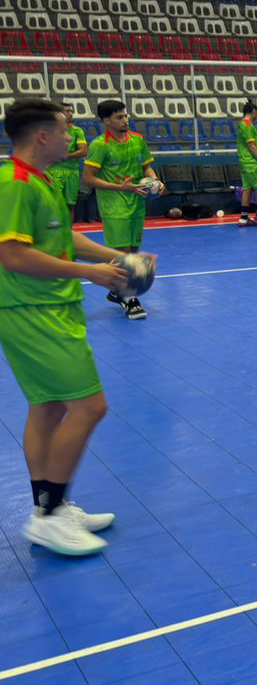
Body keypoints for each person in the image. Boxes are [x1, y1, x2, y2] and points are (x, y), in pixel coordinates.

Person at [0, 99, 144, 556]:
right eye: (65, 131)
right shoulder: (15, 184)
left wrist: (116, 259)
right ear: (42, 136)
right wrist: (90, 274)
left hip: (49, 310)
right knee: (89, 408)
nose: (72, 139)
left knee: (48, 409)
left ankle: (50, 511)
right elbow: (13, 256)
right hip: (31, 311)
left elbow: (63, 239)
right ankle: (51, 515)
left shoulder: (40, 180)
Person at [82, 100, 160, 320]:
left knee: (133, 252)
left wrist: (155, 181)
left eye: (125, 116)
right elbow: (88, 178)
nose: (125, 120)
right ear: (106, 121)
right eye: (119, 117)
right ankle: (130, 299)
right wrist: (121, 187)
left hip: (137, 203)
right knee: (123, 254)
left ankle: (118, 291)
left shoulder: (137, 140)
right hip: (113, 205)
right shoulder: (99, 145)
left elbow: (147, 166)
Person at [47, 106, 87, 223]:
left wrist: (64, 157)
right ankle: (54, 232)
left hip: (72, 173)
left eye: (72, 111)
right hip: (54, 171)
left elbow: (83, 151)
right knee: (53, 204)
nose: (70, 113)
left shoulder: (77, 131)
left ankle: (68, 234)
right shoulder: (50, 131)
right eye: (67, 111)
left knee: (70, 205)